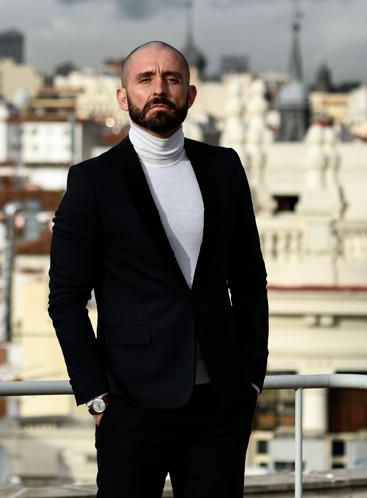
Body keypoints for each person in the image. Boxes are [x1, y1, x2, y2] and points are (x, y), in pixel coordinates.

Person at [48, 41, 269, 496]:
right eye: (145, 79)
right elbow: (66, 299)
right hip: (131, 401)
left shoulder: (224, 168)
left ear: (189, 94)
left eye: (170, 79)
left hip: (221, 403)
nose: (159, 89)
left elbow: (249, 281)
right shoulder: (93, 181)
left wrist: (251, 378)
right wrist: (94, 392)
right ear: (123, 96)